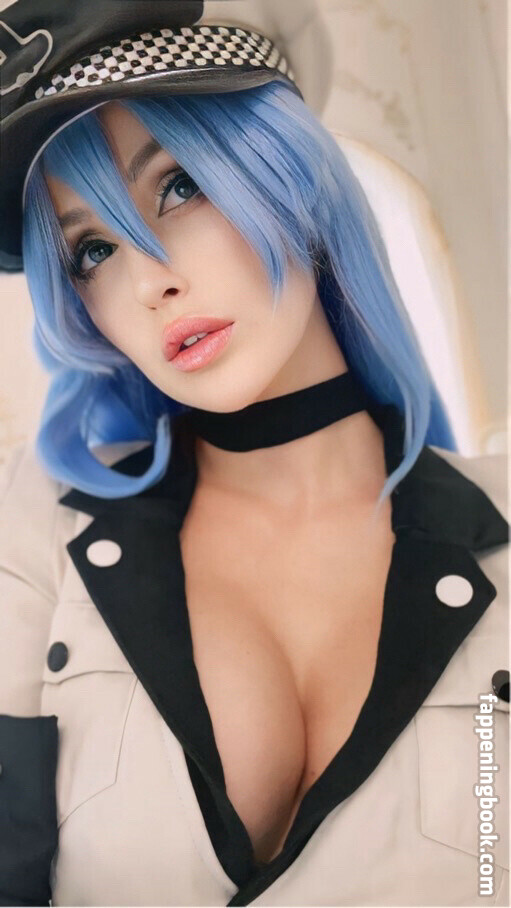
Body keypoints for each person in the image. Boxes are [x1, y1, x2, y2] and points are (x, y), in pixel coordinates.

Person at [0, 1, 508, 906]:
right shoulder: (34, 521)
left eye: (179, 187)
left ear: (290, 175)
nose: (148, 280)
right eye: (92, 250)